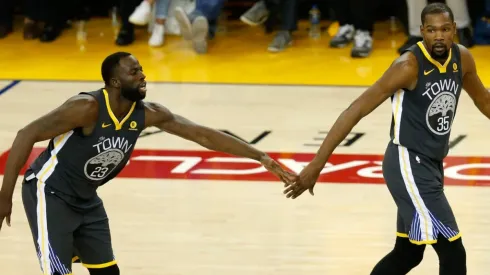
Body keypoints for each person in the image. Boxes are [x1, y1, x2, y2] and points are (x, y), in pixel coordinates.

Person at [0, 52, 297, 275]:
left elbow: (202, 134)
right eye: (134, 72)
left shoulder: (148, 113)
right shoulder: (86, 107)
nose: (143, 75)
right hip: (49, 192)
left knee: (108, 271)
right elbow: (27, 133)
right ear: (115, 82)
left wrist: (259, 156)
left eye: (141, 69)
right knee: (58, 272)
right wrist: (4, 197)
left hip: (86, 198)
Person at [284, 3, 490, 274]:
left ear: (454, 30)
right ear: (421, 32)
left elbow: (483, 99)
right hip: (408, 164)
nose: (438, 36)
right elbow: (355, 110)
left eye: (444, 29)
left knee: (408, 253)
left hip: (431, 164)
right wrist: (317, 164)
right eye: (431, 30)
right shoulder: (408, 66)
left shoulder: (462, 59)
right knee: (453, 252)